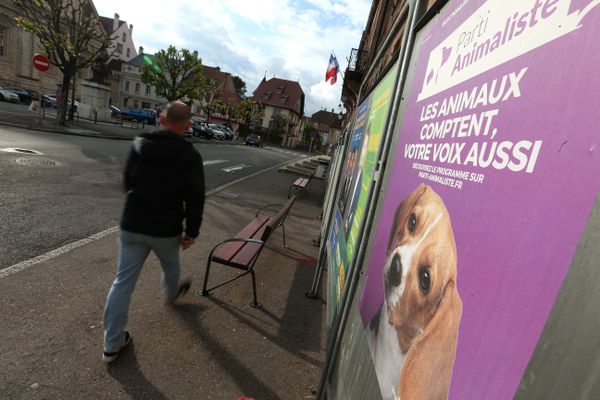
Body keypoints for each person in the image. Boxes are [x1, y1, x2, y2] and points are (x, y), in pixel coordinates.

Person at [102, 101, 205, 363]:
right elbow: (196, 197)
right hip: (166, 229)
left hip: (133, 223)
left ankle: (111, 344)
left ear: (161, 118)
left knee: (122, 281)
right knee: (171, 266)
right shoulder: (191, 155)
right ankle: (171, 295)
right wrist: (191, 231)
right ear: (188, 126)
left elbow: (128, 182)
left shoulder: (139, 143)